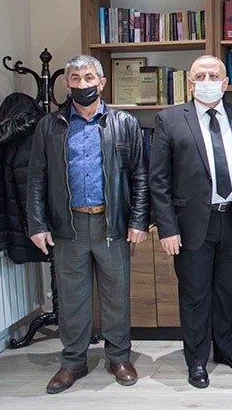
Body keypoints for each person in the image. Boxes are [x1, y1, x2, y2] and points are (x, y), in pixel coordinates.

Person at [26, 54, 149, 394]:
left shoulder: (124, 123)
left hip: (112, 224)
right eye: (76, 78)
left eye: (89, 78)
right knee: (72, 299)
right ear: (67, 83)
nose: (83, 84)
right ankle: (72, 362)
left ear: (102, 82)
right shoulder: (49, 126)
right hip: (68, 226)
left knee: (116, 296)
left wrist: (139, 220)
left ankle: (119, 357)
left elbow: (140, 175)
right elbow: (36, 178)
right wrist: (37, 224)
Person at [149, 55, 232, 388]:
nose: (207, 81)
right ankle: (196, 360)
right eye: (200, 76)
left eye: (214, 76)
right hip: (191, 223)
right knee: (195, 295)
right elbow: (158, 180)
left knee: (227, 291)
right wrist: (167, 228)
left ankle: (225, 350)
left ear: (226, 83)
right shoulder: (170, 119)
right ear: (190, 83)